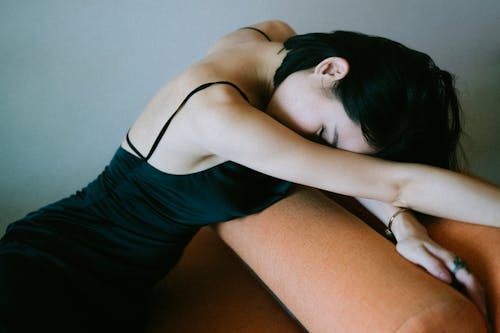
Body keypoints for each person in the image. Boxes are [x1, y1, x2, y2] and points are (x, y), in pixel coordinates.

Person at [1, 20, 499, 332]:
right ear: (329, 69)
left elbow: (370, 180)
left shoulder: (265, 39)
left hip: (118, 291)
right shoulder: (218, 115)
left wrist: (404, 226)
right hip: (51, 271)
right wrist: (398, 207)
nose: (311, 151)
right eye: (324, 134)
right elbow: (396, 182)